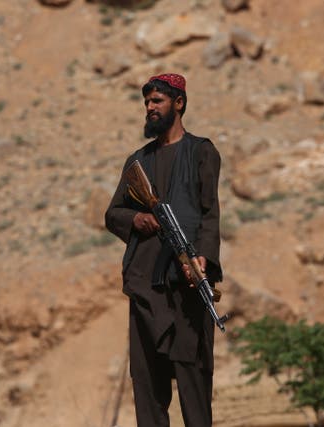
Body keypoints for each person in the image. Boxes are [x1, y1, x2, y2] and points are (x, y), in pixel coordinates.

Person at [105, 73, 222, 427]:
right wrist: (138, 219)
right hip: (146, 288)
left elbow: (210, 213)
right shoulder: (137, 161)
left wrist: (202, 257)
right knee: (148, 387)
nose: (150, 108)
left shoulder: (201, 151)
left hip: (186, 283)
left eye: (157, 101)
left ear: (179, 103)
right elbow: (112, 214)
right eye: (147, 102)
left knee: (193, 381)